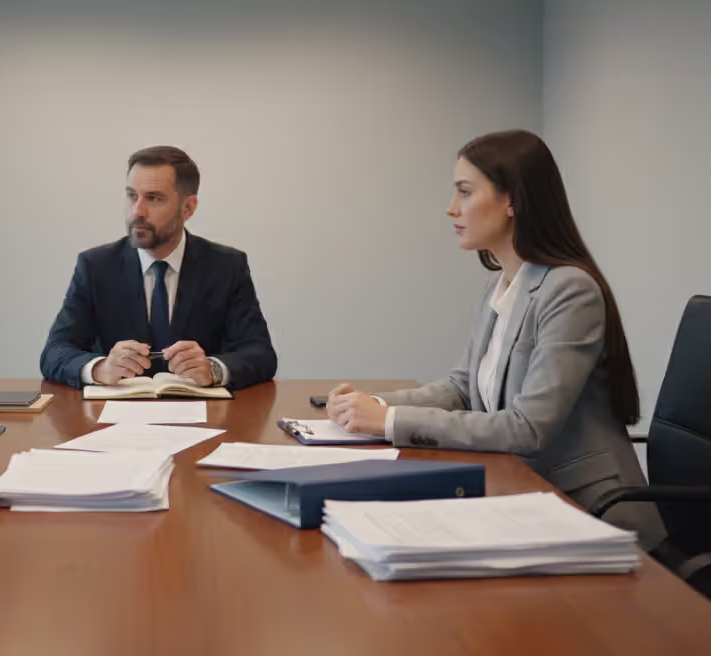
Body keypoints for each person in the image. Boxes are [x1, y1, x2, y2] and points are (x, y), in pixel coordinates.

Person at [326, 130, 661, 541]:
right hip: (526, 496)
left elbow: (528, 429)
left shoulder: (570, 290)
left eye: (465, 192)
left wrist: (390, 420)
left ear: (512, 201)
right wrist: (371, 406)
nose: (451, 209)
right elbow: (464, 387)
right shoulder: (504, 283)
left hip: (592, 513)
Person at [40, 146, 277, 390]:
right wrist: (101, 368)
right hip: (113, 418)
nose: (137, 211)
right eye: (132, 196)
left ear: (188, 208)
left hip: (205, 418)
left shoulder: (227, 266)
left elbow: (260, 354)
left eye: (153, 198)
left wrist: (213, 368)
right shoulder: (95, 266)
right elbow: (55, 352)